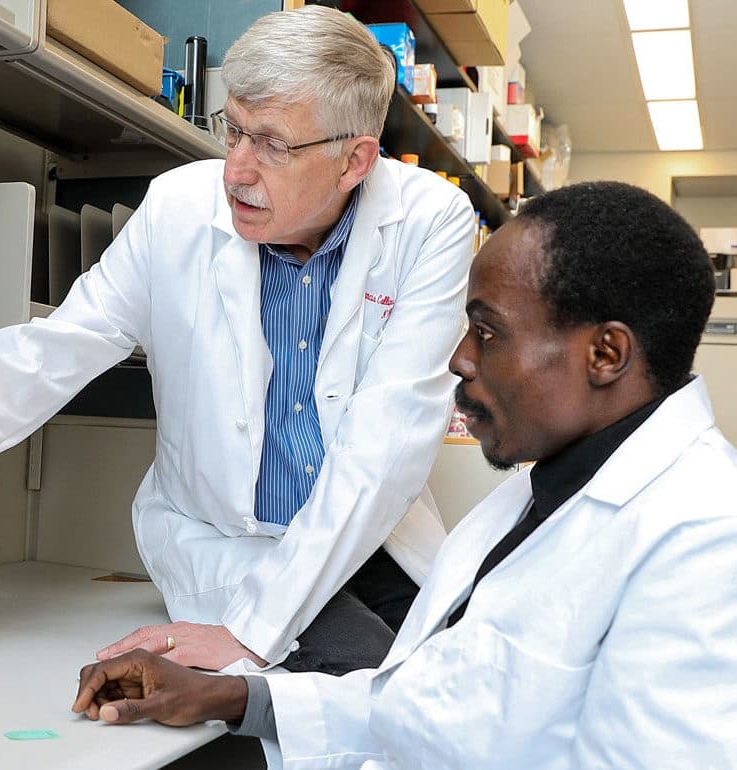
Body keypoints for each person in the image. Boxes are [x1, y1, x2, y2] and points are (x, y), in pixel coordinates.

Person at [0, 7, 476, 675]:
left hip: (367, 536)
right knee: (361, 683)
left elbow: (386, 443)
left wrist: (249, 633)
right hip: (227, 544)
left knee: (457, 678)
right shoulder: (178, 209)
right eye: (232, 129)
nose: (235, 168)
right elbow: (54, 349)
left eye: (272, 143)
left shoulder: (431, 221)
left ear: (355, 160)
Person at [71, 180, 737, 769]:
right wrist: (231, 695)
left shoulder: (706, 542)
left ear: (606, 353)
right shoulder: (544, 495)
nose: (458, 360)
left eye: (489, 333)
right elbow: (421, 710)